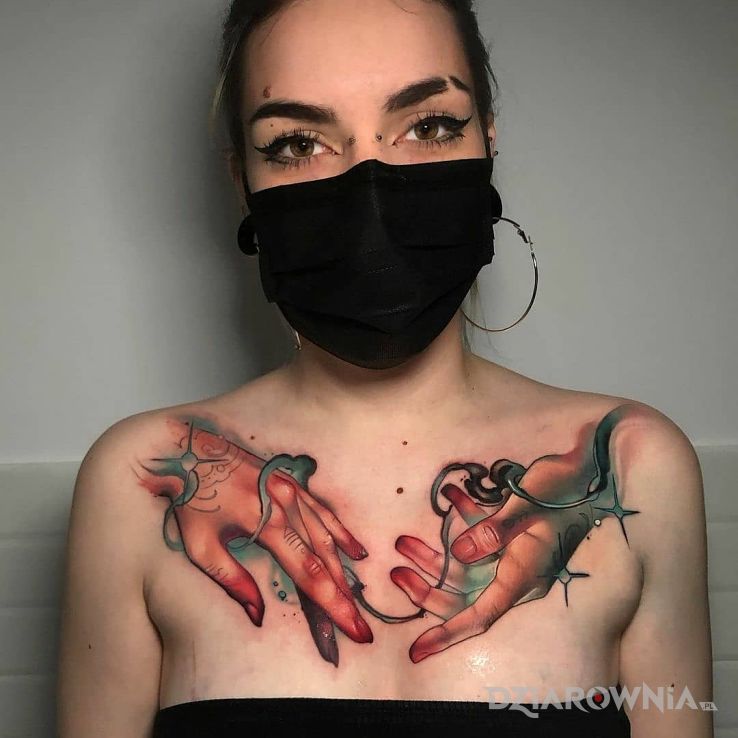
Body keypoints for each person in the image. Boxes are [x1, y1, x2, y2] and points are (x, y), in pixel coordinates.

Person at [56, 1, 713, 736]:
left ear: (488, 144)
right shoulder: (142, 483)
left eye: (428, 127)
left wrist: (590, 495)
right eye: (299, 142)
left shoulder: (629, 466)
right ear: (243, 181)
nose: (368, 186)